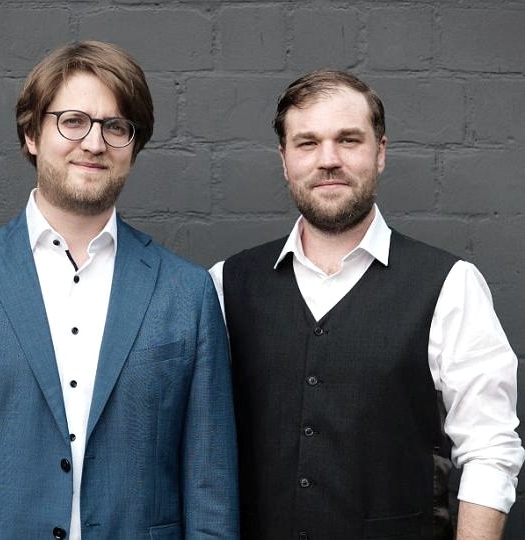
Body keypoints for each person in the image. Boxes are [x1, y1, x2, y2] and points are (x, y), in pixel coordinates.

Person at [0, 40, 238, 539]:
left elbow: (211, 485)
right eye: (73, 121)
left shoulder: (187, 292)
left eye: (116, 127)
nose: (94, 144)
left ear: (133, 148)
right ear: (32, 134)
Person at [210, 69, 524, 539]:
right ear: (284, 159)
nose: (328, 160)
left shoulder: (449, 284)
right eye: (307, 143)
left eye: (349, 140)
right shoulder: (225, 283)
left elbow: (489, 449)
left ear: (380, 152)